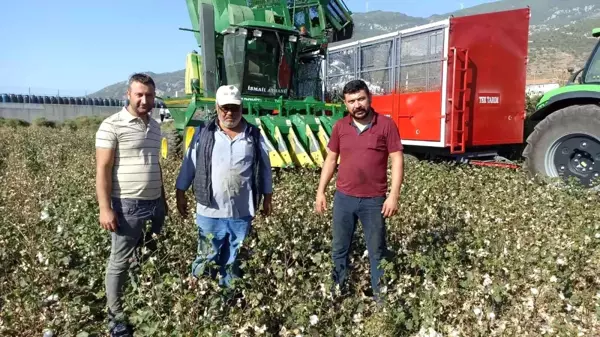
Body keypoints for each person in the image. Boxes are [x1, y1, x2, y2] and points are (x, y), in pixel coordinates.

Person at [175, 84, 273, 289]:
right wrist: (180, 192)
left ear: (242, 108)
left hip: (242, 211)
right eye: (225, 108)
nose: (230, 112)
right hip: (209, 210)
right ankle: (200, 298)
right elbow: (189, 164)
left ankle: (228, 297)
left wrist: (267, 199)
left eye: (234, 107)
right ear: (217, 108)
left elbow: (264, 168)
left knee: (234, 258)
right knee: (206, 256)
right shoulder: (203, 133)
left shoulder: (253, 135)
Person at [315, 79, 404, 302]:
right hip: (344, 199)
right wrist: (321, 191)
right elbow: (331, 159)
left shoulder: (386, 125)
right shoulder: (340, 127)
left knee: (377, 252)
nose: (357, 105)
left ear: (369, 98)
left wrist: (393, 195)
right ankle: (338, 295)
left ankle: (380, 301)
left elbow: (397, 159)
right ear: (346, 104)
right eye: (351, 101)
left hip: (374, 201)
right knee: (339, 249)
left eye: (361, 99)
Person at [95, 73, 168, 337]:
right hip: (127, 205)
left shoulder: (156, 125)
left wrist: (164, 199)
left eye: (149, 95)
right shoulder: (111, 125)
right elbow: (102, 169)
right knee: (120, 261)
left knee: (148, 255)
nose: (144, 100)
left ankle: (140, 301)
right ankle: (115, 317)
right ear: (128, 94)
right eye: (139, 94)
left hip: (155, 203)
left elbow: (155, 165)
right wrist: (105, 208)